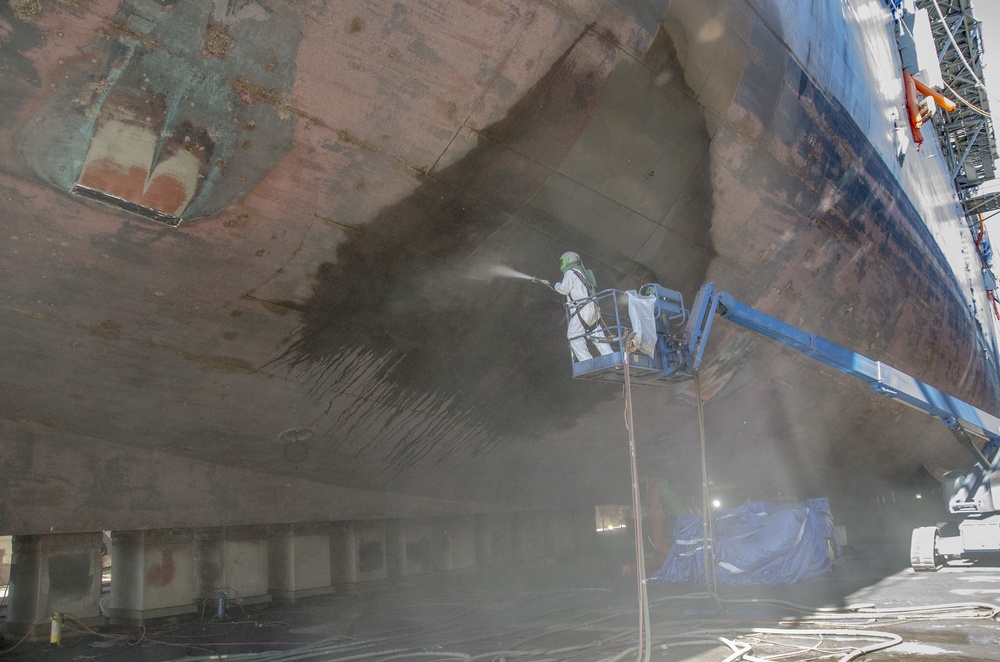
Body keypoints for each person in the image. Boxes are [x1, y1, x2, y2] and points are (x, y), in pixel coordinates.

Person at [553, 251, 613, 361]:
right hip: (593, 307)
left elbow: (564, 289)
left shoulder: (570, 273)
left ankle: (586, 361)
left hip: (583, 308)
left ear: (567, 260)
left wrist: (556, 285)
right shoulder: (584, 273)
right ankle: (610, 357)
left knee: (573, 334)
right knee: (596, 333)